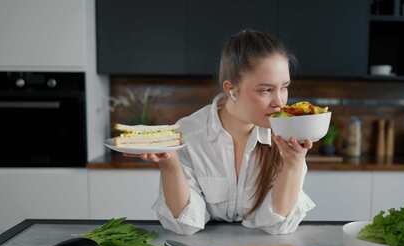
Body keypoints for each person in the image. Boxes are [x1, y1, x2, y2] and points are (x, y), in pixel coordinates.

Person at [127, 29, 315, 235]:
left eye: (284, 87)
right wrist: (169, 164)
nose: (279, 102)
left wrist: (293, 164)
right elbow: (186, 225)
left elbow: (276, 226)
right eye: (265, 90)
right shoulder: (187, 134)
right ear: (231, 89)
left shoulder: (288, 136)